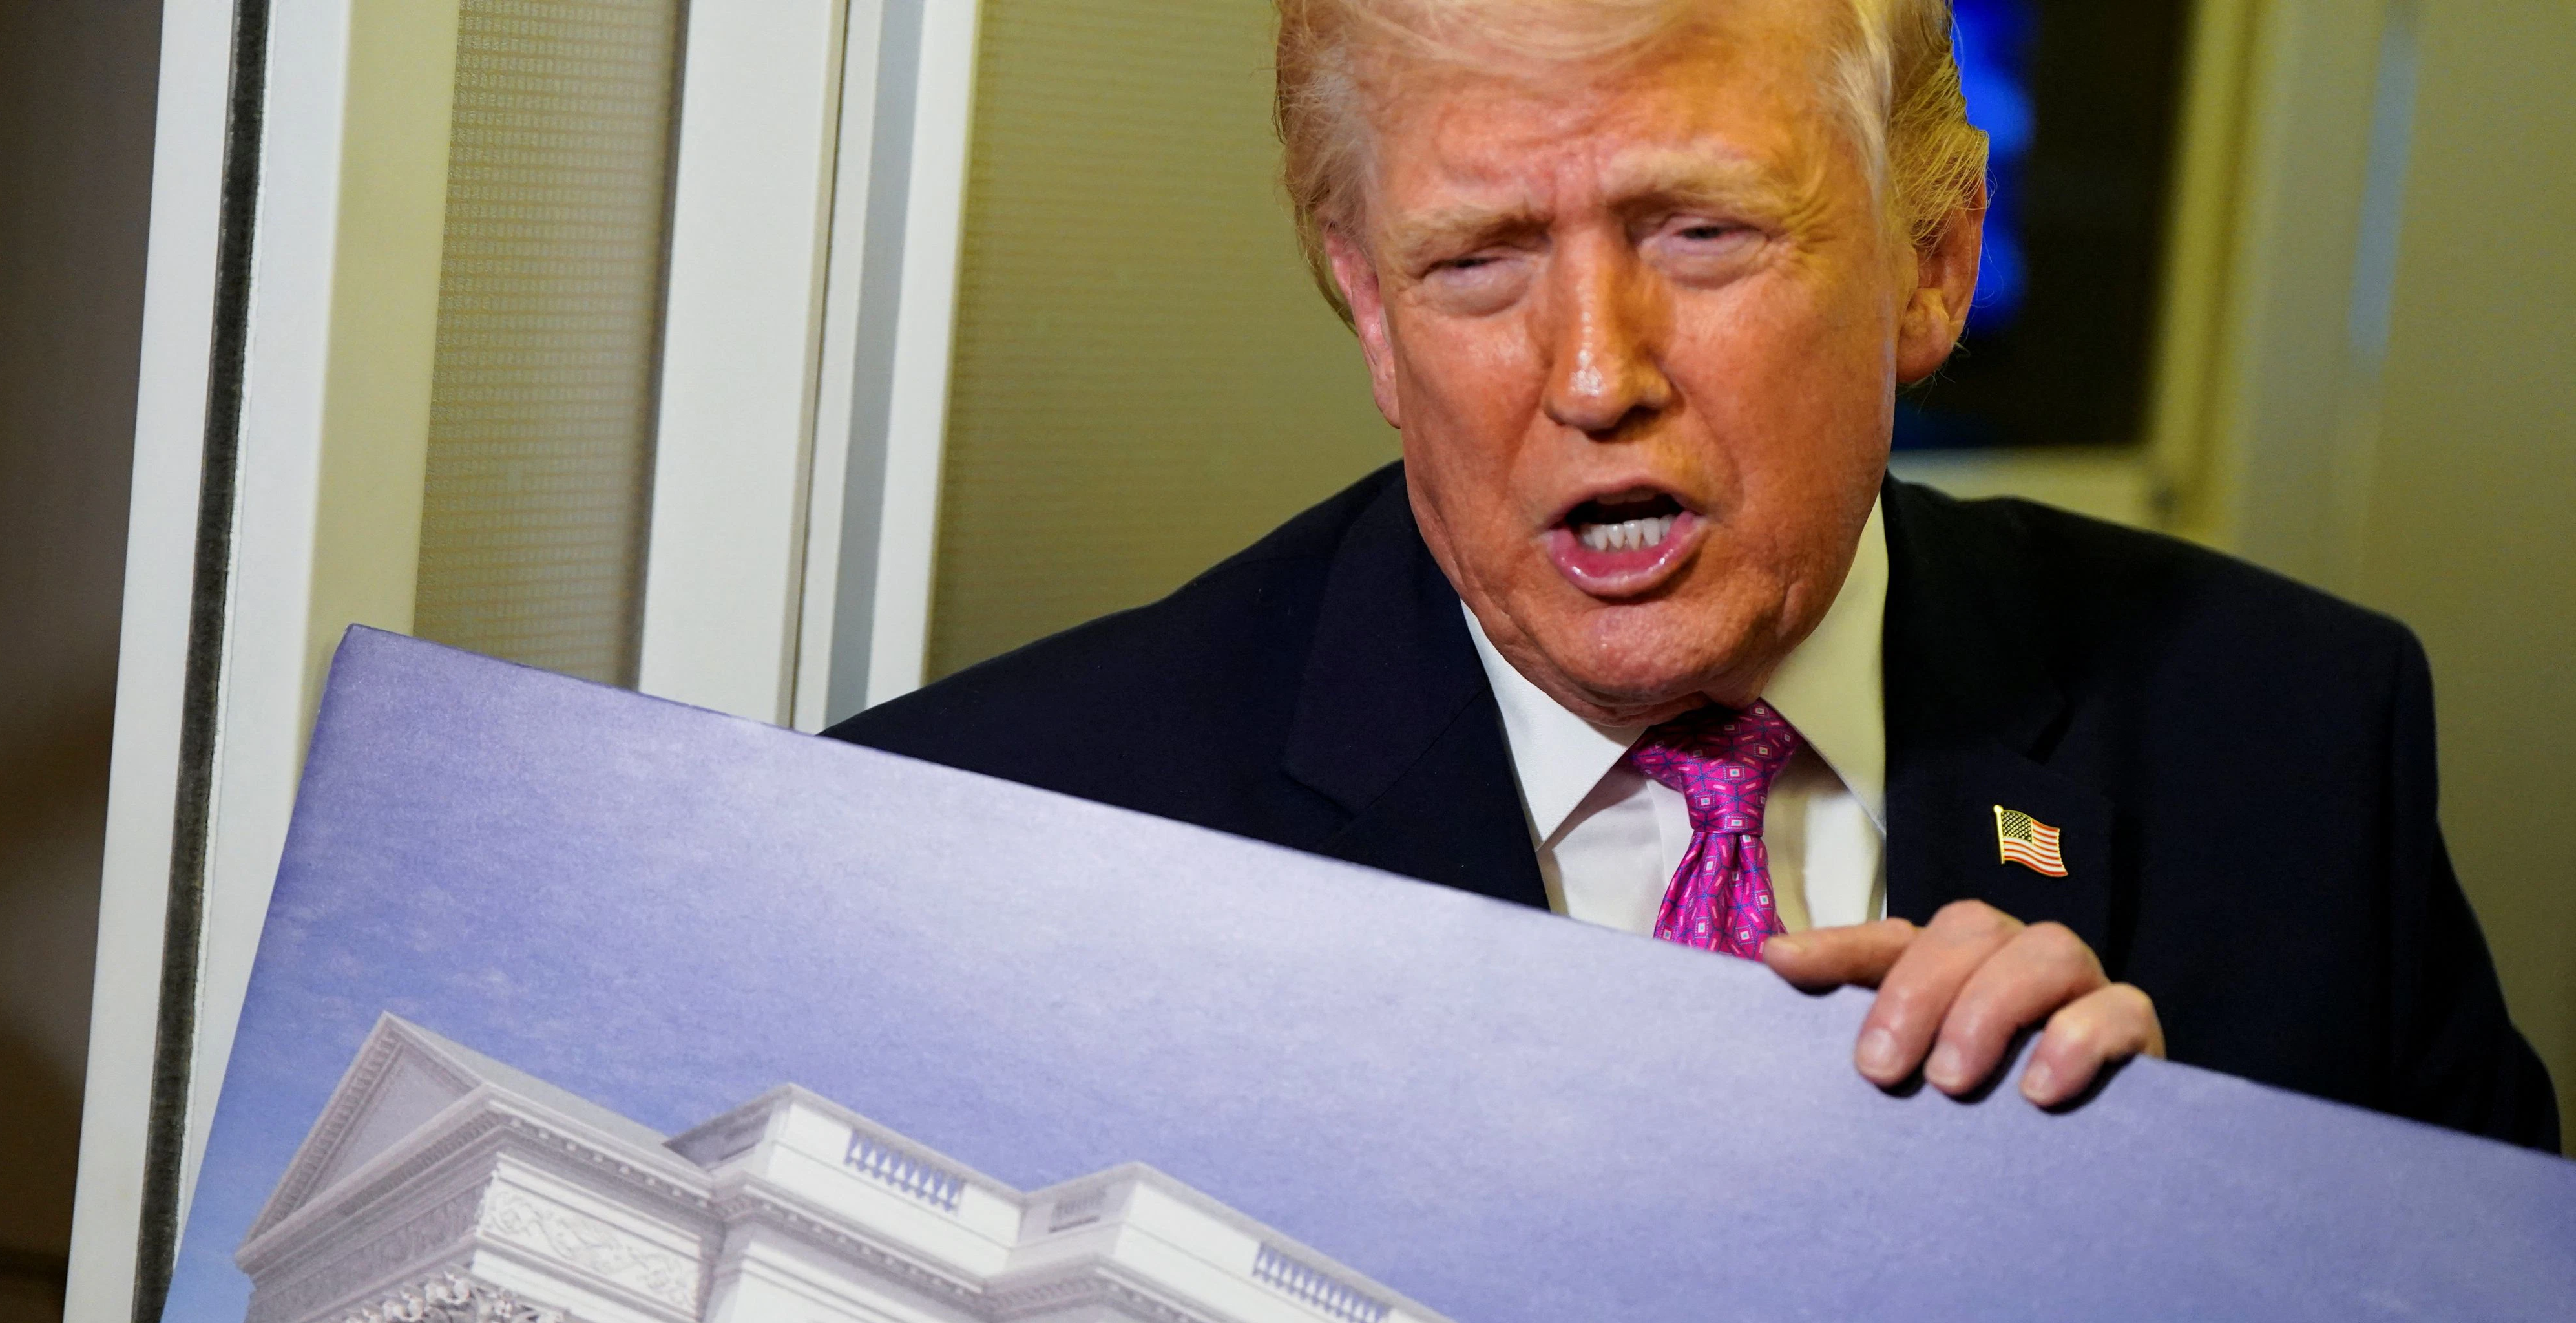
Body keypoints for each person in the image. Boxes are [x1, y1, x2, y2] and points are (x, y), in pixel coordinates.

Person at [833, 0, 2557, 1147]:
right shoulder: (983, 839)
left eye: (1701, 233)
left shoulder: (2302, 750)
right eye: (1479, 259)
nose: (1594, 373)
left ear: (1930, 266)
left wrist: (2179, 1243)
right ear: (1368, 308)